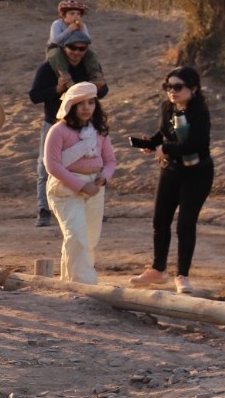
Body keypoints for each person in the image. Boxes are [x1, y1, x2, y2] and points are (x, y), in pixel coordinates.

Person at [127, 68, 214, 294]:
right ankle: (158, 269)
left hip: (197, 173)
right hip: (171, 170)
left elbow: (194, 145)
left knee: (185, 224)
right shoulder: (168, 108)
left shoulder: (200, 113)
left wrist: (164, 148)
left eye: (178, 87)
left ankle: (182, 275)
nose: (172, 91)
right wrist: (151, 144)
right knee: (160, 220)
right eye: (168, 87)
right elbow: (163, 133)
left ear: (193, 89)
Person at [29, 31, 109, 228]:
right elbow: (35, 96)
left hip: (85, 125)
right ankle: (44, 210)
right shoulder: (49, 68)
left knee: (89, 162)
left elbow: (102, 92)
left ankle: (89, 205)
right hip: (55, 123)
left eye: (82, 48)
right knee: (46, 166)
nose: (77, 52)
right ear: (63, 48)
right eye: (73, 48)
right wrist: (57, 90)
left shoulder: (90, 66)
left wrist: (97, 87)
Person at [42, 82, 115, 284]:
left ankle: (70, 282)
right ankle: (85, 284)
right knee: (76, 235)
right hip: (65, 188)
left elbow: (110, 160)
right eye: (81, 103)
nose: (86, 108)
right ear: (71, 105)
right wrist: (81, 186)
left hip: (95, 188)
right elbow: (52, 165)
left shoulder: (99, 131)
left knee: (89, 238)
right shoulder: (58, 131)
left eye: (91, 103)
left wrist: (104, 177)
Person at [47, 0, 106, 86]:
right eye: (72, 14)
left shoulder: (82, 25)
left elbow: (88, 41)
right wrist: (69, 30)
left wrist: (81, 30)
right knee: (56, 54)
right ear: (63, 15)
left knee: (91, 53)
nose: (76, 16)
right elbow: (55, 40)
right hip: (57, 48)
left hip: (75, 49)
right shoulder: (57, 24)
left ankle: (95, 76)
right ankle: (66, 78)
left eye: (78, 14)